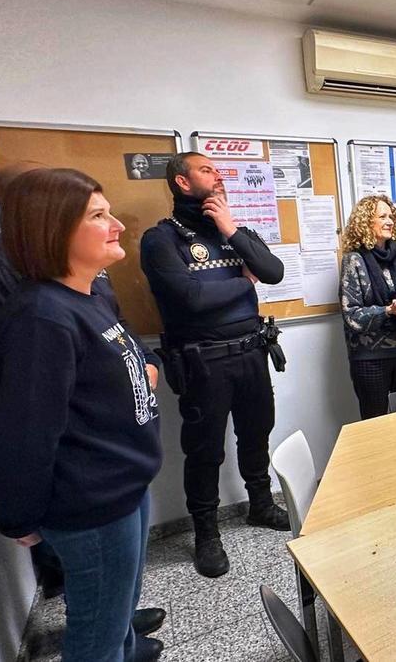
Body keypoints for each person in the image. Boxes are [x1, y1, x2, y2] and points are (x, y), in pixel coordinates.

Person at [0, 162, 165, 638]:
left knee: (116, 611)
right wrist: (20, 514)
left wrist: (146, 366)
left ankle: (128, 646)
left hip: (121, 482)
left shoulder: (86, 295)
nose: (116, 226)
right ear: (54, 228)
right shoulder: (42, 318)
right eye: (97, 216)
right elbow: (24, 430)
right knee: (96, 635)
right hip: (89, 497)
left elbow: (125, 347)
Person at [139, 152, 289, 579]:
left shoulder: (234, 232)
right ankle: (206, 533)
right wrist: (242, 284)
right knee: (204, 451)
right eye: (207, 170)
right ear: (183, 183)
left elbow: (273, 272)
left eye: (218, 170)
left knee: (256, 432)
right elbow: (190, 299)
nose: (218, 176)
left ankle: (260, 504)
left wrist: (229, 228)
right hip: (204, 361)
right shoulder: (161, 239)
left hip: (251, 353)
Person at [339, 194, 396, 419]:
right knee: (376, 425)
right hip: (370, 359)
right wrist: (388, 310)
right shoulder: (354, 260)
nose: (390, 221)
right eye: (382, 216)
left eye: (391, 216)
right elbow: (352, 314)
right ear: (366, 222)